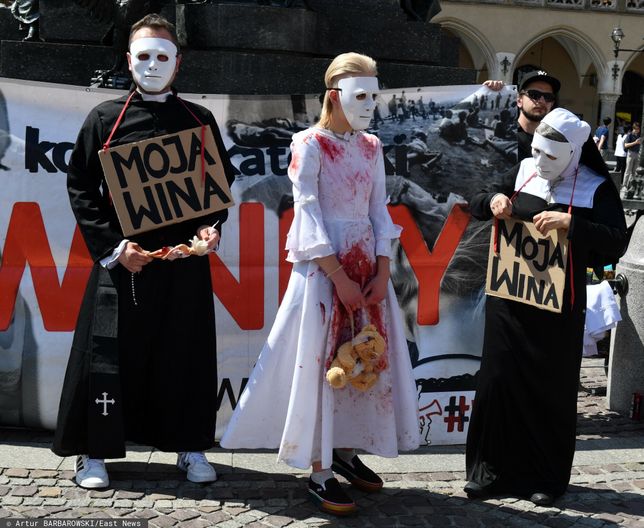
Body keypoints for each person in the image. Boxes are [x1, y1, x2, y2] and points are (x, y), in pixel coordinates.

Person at [220, 52, 420, 516]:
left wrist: (383, 267)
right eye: (360, 95)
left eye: (375, 95)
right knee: (321, 360)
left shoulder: (372, 146)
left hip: (367, 266)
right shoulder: (308, 143)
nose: (370, 104)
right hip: (323, 269)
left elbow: (377, 209)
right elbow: (306, 210)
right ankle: (319, 468)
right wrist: (338, 277)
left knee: (364, 354)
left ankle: (346, 451)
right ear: (335, 95)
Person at [52, 13, 235, 489]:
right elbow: (81, 187)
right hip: (122, 263)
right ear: (128, 61)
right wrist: (113, 248)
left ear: (178, 63)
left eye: (162, 56)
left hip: (182, 264)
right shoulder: (103, 119)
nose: (153, 65)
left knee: (185, 353)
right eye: (144, 56)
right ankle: (93, 453)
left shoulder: (201, 119)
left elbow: (218, 188)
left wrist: (210, 230)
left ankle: (190, 446)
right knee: (108, 355)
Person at [465, 108, 627, 506]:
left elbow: (615, 242)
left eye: (551, 157)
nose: (540, 163)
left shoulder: (595, 187)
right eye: (537, 151)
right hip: (508, 302)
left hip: (557, 311)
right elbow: (476, 200)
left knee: (547, 390)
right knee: (498, 383)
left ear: (574, 153)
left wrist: (573, 226)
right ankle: (487, 472)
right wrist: (495, 199)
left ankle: (544, 478)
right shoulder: (523, 170)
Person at [622, 122, 641, 196]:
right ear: (634, 128)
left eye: (638, 129)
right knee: (628, 170)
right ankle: (624, 186)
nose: (637, 130)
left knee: (634, 171)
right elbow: (626, 145)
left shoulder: (638, 135)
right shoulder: (630, 135)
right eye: (636, 129)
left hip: (637, 154)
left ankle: (631, 186)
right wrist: (635, 143)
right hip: (631, 153)